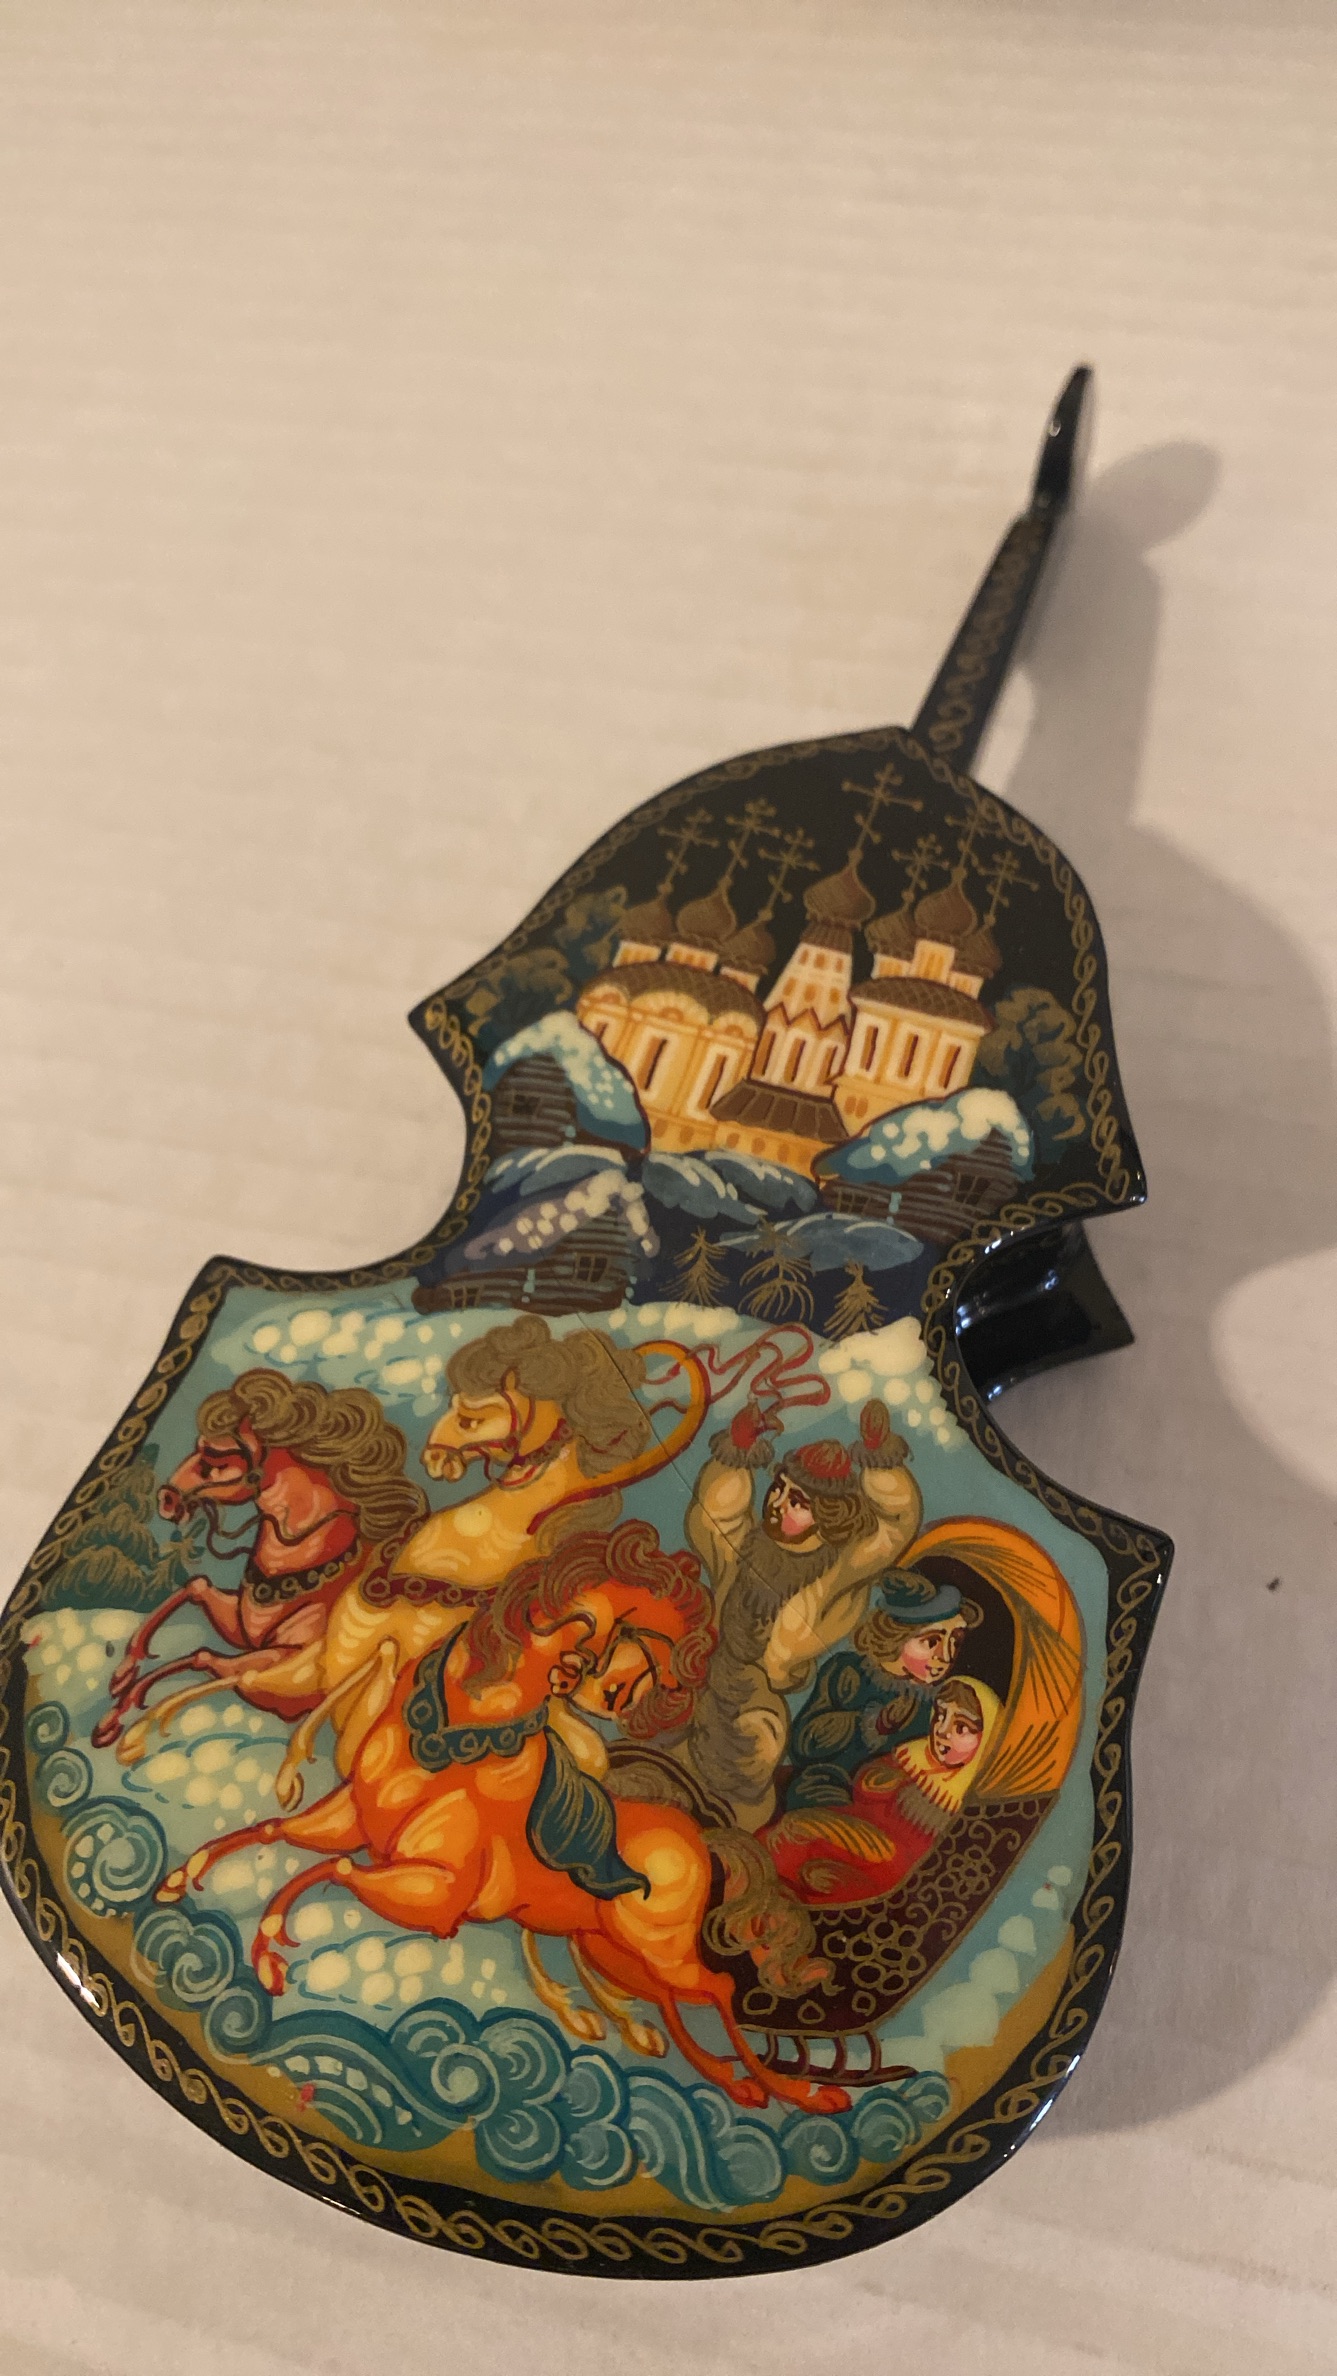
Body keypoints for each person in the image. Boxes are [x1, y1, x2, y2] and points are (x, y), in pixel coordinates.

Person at [679, 1398, 922, 1830]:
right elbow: (716, 1518)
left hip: (761, 1695)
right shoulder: (747, 1547)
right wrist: (737, 1451)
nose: (778, 1504)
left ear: (827, 1515)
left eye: (798, 1502)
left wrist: (879, 1459)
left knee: (750, 1757)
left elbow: (895, 1526)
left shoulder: (840, 1568)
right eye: (778, 1489)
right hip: (705, 1672)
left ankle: (730, 1831)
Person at [762, 1676, 1002, 1907]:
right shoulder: (915, 1754)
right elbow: (864, 1788)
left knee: (803, 1841)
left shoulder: (971, 1798)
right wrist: (878, 1782)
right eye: (940, 1716)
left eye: (961, 1727)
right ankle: (761, 1880)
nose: (942, 1731)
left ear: (987, 1738)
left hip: (894, 1865)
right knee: (796, 1834)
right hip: (863, 1830)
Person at [781, 1569, 981, 1811]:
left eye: (954, 1642)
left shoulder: (938, 1700)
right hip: (829, 1784)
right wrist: (874, 1724)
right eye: (931, 1642)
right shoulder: (849, 1672)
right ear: (895, 1636)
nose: (946, 1657)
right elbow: (803, 1745)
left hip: (897, 1797)